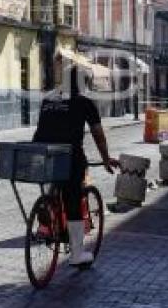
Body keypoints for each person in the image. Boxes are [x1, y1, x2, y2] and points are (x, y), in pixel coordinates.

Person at [32, 61, 120, 266]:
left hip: (43, 155)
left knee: (52, 187)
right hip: (70, 156)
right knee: (73, 200)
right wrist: (106, 159)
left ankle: (48, 210)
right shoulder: (85, 103)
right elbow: (98, 135)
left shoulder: (48, 100)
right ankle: (77, 254)